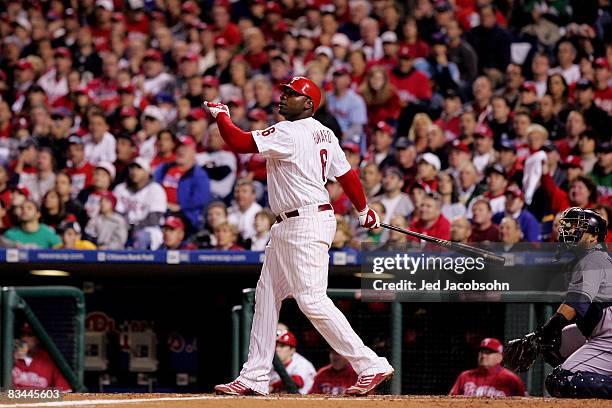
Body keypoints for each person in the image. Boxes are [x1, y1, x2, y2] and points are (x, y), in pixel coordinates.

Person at [208, 76, 393, 396]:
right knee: (266, 295)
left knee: (311, 299)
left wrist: (222, 114)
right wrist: (363, 210)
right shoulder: (325, 132)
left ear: (308, 104)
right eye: (284, 92)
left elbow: (238, 142)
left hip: (304, 223)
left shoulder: (288, 131)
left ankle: (369, 363)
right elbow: (346, 175)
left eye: (291, 95)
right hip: (291, 224)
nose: (283, 98)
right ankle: (254, 375)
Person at [505, 208, 612, 398]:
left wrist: (542, 333)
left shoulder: (593, 258)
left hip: (608, 336)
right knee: (552, 343)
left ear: (594, 237)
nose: (569, 231)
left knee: (563, 380)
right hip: (600, 330)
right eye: (569, 227)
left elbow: (576, 303)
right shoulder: (587, 258)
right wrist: (540, 337)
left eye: (578, 228)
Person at [154, 135, 210, 232]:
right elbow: (153, 187)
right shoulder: (164, 168)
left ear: (194, 152)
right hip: (161, 210)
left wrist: (180, 206)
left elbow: (202, 198)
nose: (180, 150)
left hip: (185, 215)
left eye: (185, 147)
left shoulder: (199, 174)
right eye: (179, 147)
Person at [113, 157, 167, 249]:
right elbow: (116, 214)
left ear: (147, 172)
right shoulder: (120, 189)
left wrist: (133, 228)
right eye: (132, 168)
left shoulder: (155, 189)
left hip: (149, 230)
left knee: (140, 237)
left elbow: (153, 219)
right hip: (124, 228)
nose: (134, 171)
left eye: (139, 168)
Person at [449, 337, 526, 397]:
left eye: (488, 352)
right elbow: (449, 401)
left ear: (500, 356)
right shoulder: (465, 376)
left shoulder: (511, 379)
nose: (483, 356)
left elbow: (525, 404)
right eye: (481, 352)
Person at [12, 323, 71, 391]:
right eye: (23, 335)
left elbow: (65, 392)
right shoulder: (9, 358)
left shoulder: (50, 360)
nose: (24, 339)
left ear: (38, 339)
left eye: (30, 335)